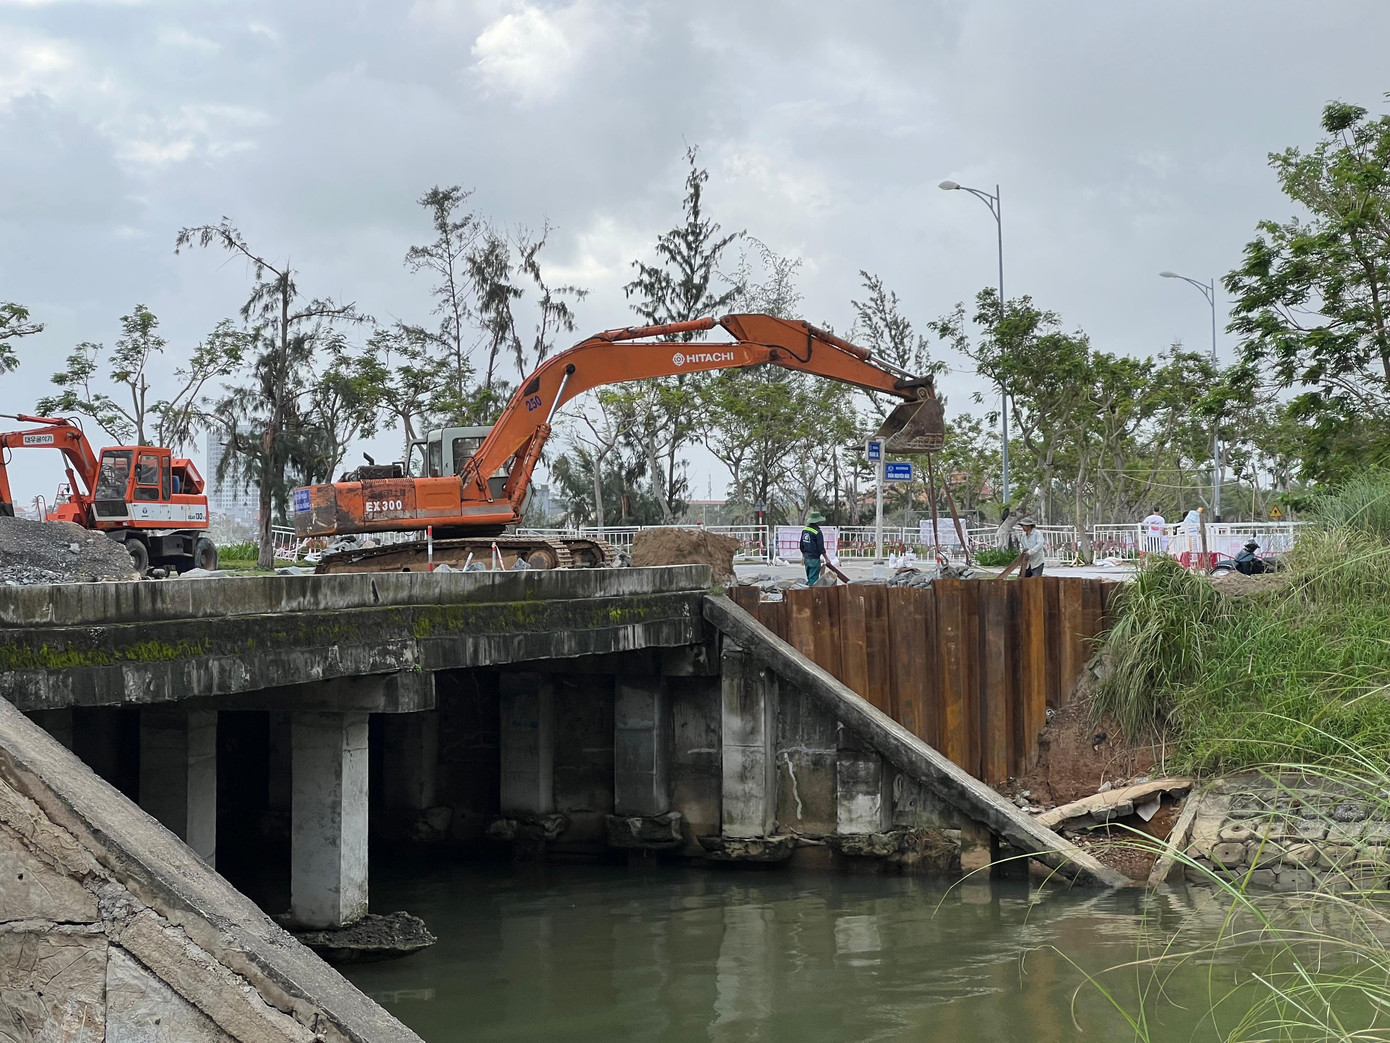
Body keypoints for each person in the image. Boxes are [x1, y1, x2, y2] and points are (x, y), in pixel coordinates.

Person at [800, 511, 828, 585]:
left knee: (809, 577)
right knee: (813, 580)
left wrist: (803, 557)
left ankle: (807, 591)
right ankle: (811, 594)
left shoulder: (805, 530)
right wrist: (826, 558)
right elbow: (820, 547)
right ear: (818, 521)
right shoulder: (817, 532)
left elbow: (801, 545)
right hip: (814, 559)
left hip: (807, 558)